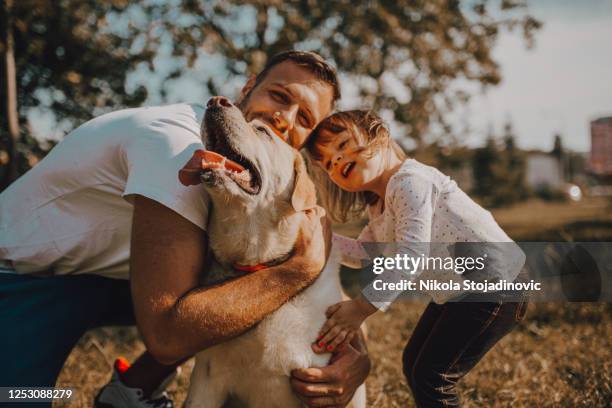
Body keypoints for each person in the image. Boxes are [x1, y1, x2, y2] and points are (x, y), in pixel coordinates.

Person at [0, 51, 370, 408]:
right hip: (16, 281)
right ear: (248, 88)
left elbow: (328, 291)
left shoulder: (251, 178)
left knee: (240, 276)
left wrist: (358, 360)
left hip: (84, 281)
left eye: (305, 117)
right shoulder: (182, 151)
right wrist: (297, 270)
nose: (285, 118)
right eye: (278, 95)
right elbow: (167, 337)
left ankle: (133, 390)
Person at [304, 110, 529, 407]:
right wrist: (317, 235)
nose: (339, 160)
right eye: (330, 162)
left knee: (432, 376)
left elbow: (413, 254)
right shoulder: (380, 206)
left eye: (343, 144)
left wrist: (361, 307)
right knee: (414, 363)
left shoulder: (409, 182)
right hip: (462, 292)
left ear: (380, 136)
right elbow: (362, 255)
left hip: (496, 286)